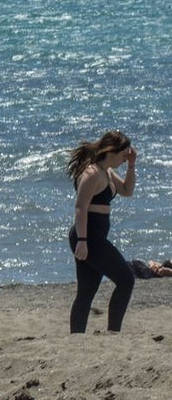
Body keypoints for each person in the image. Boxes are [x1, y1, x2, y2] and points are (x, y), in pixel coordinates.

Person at [68, 130, 138, 333]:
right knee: (126, 279)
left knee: (86, 292)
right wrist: (82, 240)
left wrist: (132, 166)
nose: (125, 159)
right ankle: (113, 333)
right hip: (87, 236)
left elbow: (127, 191)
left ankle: (76, 338)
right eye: (124, 155)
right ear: (111, 151)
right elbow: (80, 207)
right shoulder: (91, 173)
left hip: (95, 237)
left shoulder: (106, 172)